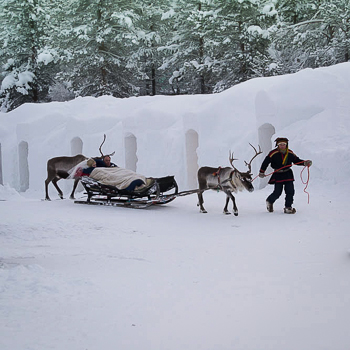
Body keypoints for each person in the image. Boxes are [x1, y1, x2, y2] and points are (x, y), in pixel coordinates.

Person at [259, 137, 312, 214]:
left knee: (290, 191)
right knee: (277, 192)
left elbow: (296, 161)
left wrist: (305, 163)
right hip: (278, 174)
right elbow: (265, 162)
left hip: (288, 174)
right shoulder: (273, 153)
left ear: (286, 145)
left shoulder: (290, 153)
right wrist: (261, 171)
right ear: (277, 145)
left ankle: (288, 207)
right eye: (280, 144)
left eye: (284, 144)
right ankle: (269, 201)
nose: (282, 146)